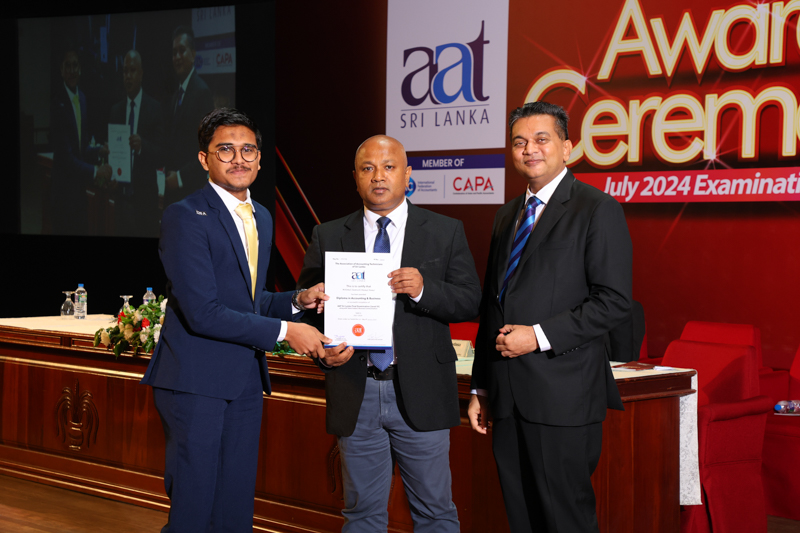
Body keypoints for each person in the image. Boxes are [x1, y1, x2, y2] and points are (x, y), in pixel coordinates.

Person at [141, 108, 330, 532]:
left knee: (235, 506)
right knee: (195, 509)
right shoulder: (185, 215)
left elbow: (247, 300)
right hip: (194, 382)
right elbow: (202, 311)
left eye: (248, 150)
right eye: (225, 150)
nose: (238, 159)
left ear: (260, 159)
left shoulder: (261, 215)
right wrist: (286, 331)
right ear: (204, 159)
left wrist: (296, 300)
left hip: (243, 380)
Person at [297, 135, 481, 532]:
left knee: (435, 513)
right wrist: (323, 351)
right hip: (355, 388)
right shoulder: (328, 234)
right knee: (361, 515)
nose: (378, 176)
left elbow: (470, 301)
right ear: (355, 177)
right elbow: (310, 311)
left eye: (389, 167)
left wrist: (424, 290)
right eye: (367, 168)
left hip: (422, 389)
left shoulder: (444, 230)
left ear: (407, 174)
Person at [468, 101, 632, 533]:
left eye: (541, 139)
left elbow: (614, 301)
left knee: (565, 521)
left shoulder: (597, 208)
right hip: (506, 395)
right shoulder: (507, 214)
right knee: (521, 518)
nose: (530, 150)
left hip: (563, 396)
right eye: (519, 142)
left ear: (567, 147)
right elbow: (493, 305)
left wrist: (538, 336)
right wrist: (482, 386)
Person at [49, 46, 111, 235]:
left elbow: (82, 147)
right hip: (62, 194)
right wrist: (96, 171)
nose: (72, 70)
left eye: (75, 65)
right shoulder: (57, 104)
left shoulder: (82, 99)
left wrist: (99, 150)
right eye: (68, 66)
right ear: (61, 70)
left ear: (80, 69)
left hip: (79, 192)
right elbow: (66, 158)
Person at [108, 50, 164, 237]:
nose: (128, 76)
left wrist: (142, 147)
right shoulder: (115, 111)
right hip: (121, 201)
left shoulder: (154, 108)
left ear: (141, 74)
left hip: (145, 203)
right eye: (125, 71)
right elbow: (113, 156)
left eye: (132, 71)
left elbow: (162, 155)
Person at [163, 26, 215, 207]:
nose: (177, 57)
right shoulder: (176, 96)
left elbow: (208, 150)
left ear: (193, 54)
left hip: (191, 194)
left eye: (182, 51)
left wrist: (179, 177)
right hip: (173, 195)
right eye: (174, 53)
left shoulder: (202, 93)